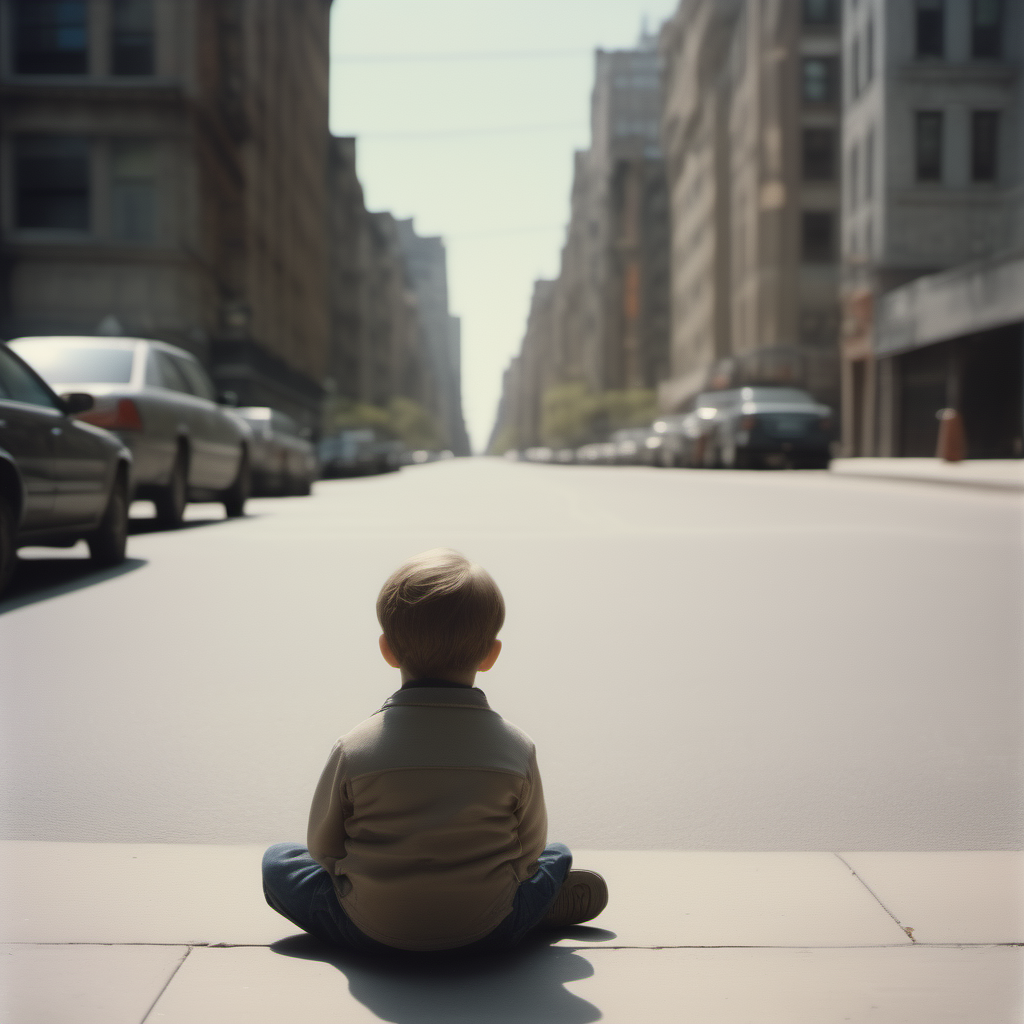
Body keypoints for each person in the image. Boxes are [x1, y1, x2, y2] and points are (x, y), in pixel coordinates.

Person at [262, 548, 608, 953]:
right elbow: (528, 853)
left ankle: (394, 923)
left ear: (387, 649)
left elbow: (324, 849)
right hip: (488, 928)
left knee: (278, 862)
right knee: (556, 855)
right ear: (491, 654)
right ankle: (536, 910)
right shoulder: (516, 749)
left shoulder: (354, 748)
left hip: (372, 928)